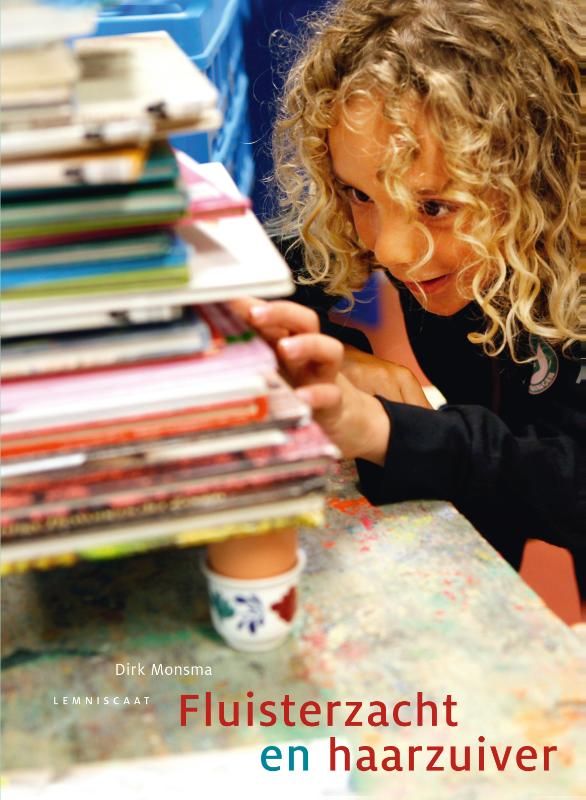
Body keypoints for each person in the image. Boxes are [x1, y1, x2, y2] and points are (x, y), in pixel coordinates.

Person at [234, 0, 584, 573]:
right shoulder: (452, 245)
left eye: (436, 205)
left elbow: (572, 481)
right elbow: (252, 281)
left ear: (548, 175)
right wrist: (339, 356)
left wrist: (380, 429)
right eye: (361, 194)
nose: (390, 251)